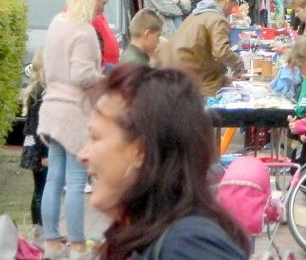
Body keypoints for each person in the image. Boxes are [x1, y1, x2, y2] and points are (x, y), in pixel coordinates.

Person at [78, 65, 249, 260]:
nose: (82, 155)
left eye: (95, 138)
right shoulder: (140, 234)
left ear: (140, 151)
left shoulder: (187, 245)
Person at [37, 0, 108, 258]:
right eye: (104, 2)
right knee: (77, 181)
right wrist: (103, 79)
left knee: (53, 177)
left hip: (51, 106)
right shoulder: (84, 30)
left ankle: (51, 241)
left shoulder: (57, 22)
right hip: (75, 112)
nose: (103, 8)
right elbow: (82, 75)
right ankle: (78, 245)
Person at [157, 0, 245, 96]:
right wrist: (239, 63)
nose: (230, 11)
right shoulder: (218, 19)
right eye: (232, 5)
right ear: (228, 0)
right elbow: (221, 52)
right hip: (191, 80)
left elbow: (203, 51)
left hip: (173, 74)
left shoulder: (194, 16)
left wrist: (222, 78)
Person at [19, 47, 48, 242]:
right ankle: (40, 228)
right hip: (39, 149)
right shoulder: (42, 93)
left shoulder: (34, 90)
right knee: (41, 190)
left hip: (32, 147)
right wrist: (44, 153)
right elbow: (39, 127)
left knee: (39, 188)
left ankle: (39, 226)